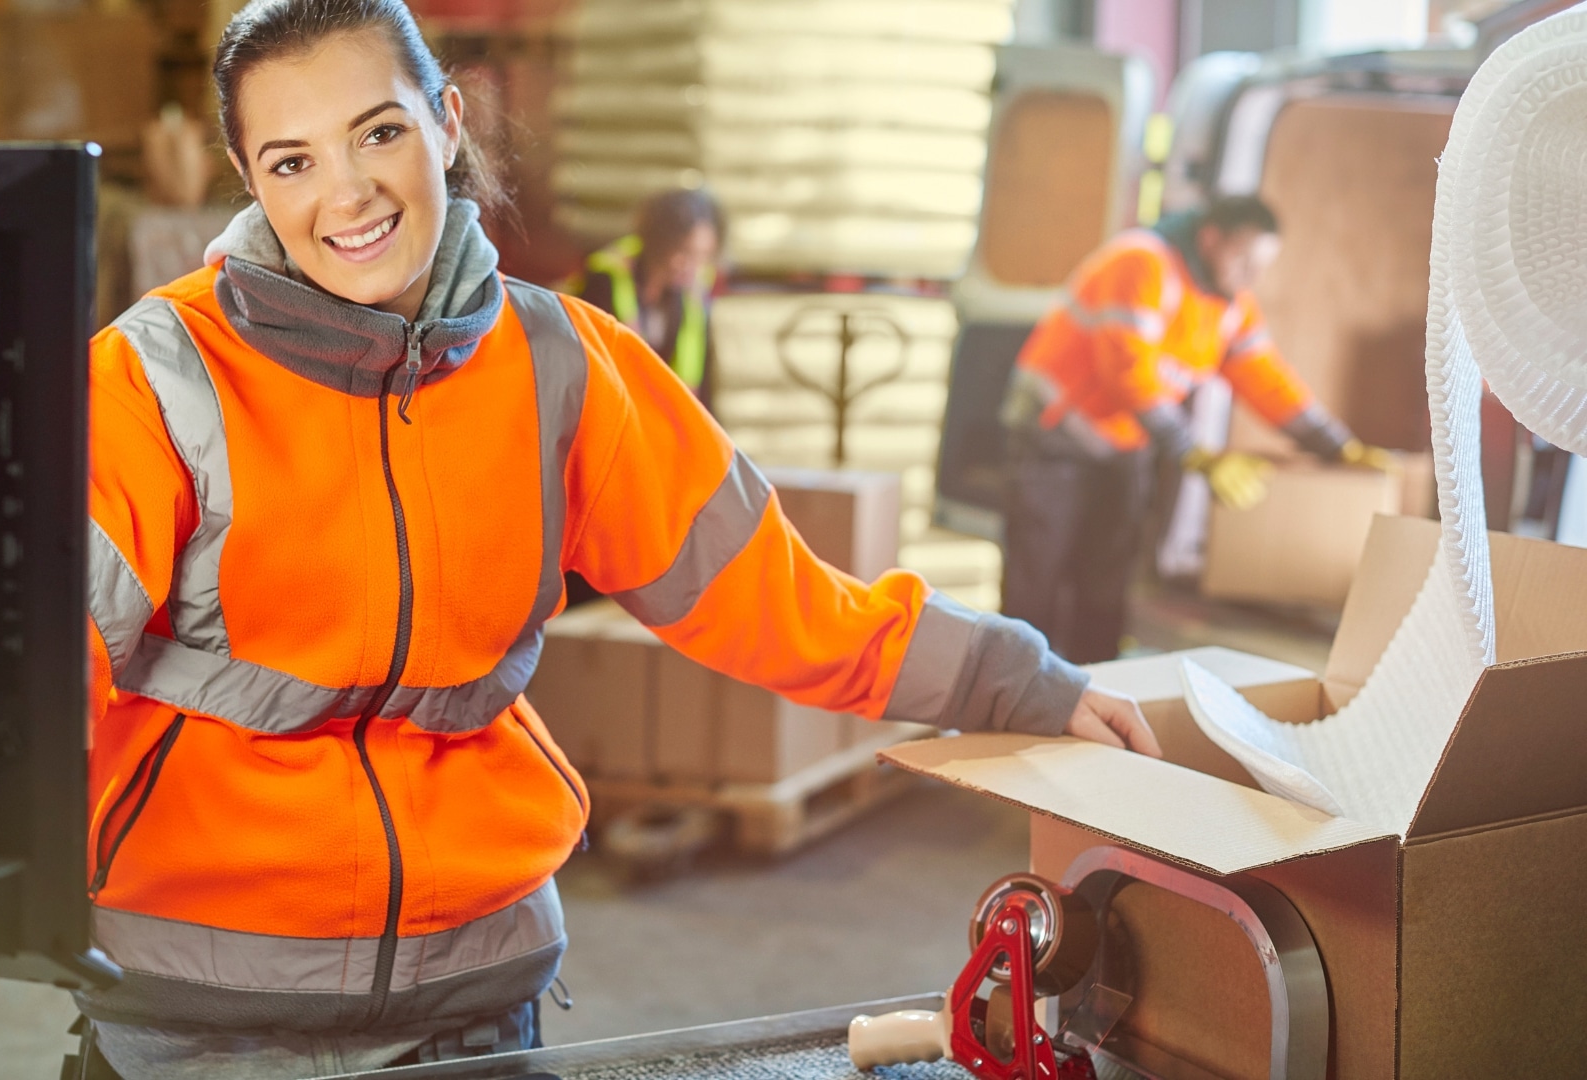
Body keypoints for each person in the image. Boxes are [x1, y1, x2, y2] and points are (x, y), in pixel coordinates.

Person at [75, 2, 1158, 1077]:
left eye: (379, 132)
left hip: (473, 999)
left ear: (447, 122)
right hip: (199, 1020)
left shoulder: (562, 366)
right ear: (246, 174)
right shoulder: (157, 378)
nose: (347, 193)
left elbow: (775, 600)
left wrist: (1023, 683)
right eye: (292, 159)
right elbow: (39, 671)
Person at [1001, 195, 1390, 664]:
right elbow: (1128, 375)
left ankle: (1092, 697)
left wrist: (1335, 445)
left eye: (1261, 265)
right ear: (1211, 240)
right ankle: (1010, 702)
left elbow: (1267, 379)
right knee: (1035, 582)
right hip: (1054, 438)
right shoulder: (1141, 264)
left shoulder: (1230, 305)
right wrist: (1195, 455)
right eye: (1244, 259)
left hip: (1124, 445)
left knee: (1106, 585)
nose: (1252, 276)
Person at [564, 188, 724, 410]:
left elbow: (704, 386)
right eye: (684, 252)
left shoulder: (693, 296)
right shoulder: (604, 281)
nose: (693, 266)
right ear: (659, 241)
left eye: (702, 256)